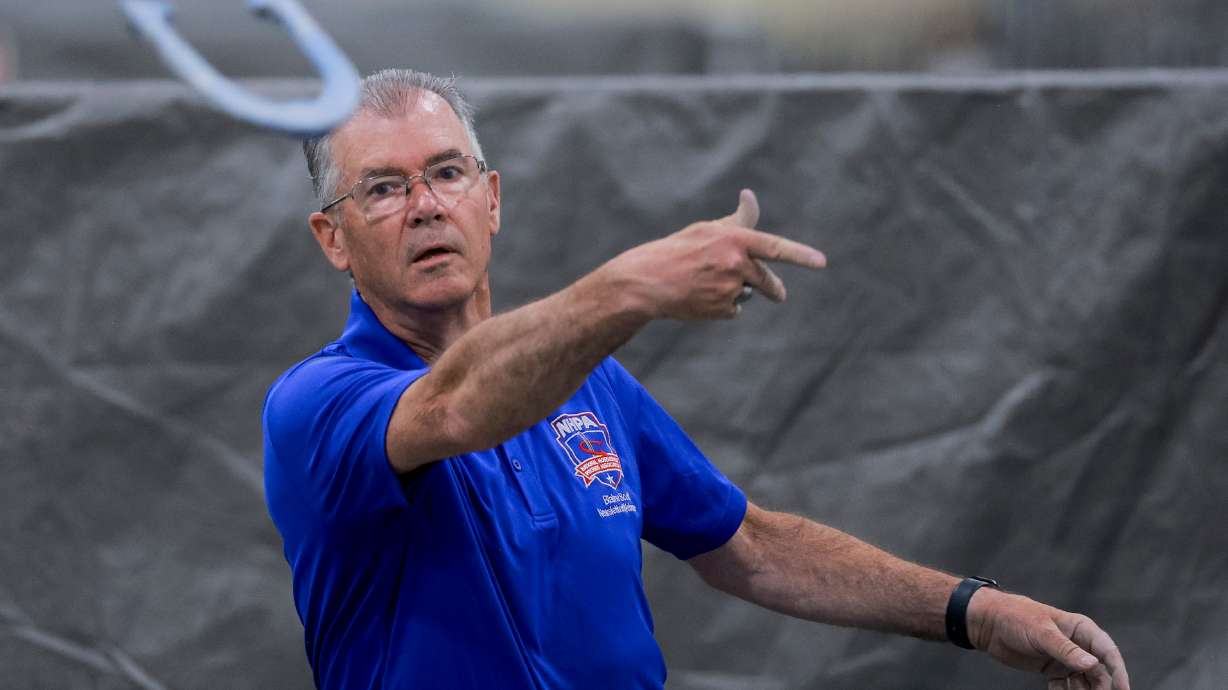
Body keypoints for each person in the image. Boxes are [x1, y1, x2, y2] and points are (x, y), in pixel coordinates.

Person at [262, 69, 1130, 690]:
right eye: (381, 188)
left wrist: (974, 611)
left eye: (446, 172)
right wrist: (632, 285)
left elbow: (747, 547)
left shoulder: (587, 384)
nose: (425, 205)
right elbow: (455, 405)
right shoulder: (318, 404)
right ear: (331, 239)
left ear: (491, 198)